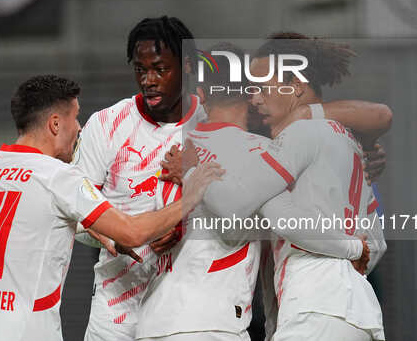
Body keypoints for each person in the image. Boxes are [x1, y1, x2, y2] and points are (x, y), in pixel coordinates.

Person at [0, 75, 222, 341]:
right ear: (55, 124)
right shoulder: (57, 176)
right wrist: (191, 194)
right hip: (25, 332)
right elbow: (133, 233)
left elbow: (25, 225)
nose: (79, 128)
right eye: (75, 117)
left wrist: (101, 232)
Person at [134, 42, 371, 341]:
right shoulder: (261, 153)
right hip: (212, 325)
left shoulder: (169, 151)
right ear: (251, 95)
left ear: (202, 96)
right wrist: (353, 247)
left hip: (152, 321)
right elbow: (288, 220)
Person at [199, 35, 389, 340]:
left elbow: (236, 206)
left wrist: (196, 170)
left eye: (261, 87)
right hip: (359, 312)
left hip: (315, 307)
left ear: (296, 84)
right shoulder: (350, 143)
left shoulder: (297, 135)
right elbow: (376, 244)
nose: (254, 98)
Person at [73, 16, 208, 341]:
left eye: (160, 69)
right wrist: (114, 236)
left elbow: (243, 209)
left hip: (192, 312)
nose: (148, 79)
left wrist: (183, 226)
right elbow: (74, 215)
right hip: (115, 316)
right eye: (140, 69)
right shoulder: (105, 124)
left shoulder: (214, 125)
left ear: (188, 66)